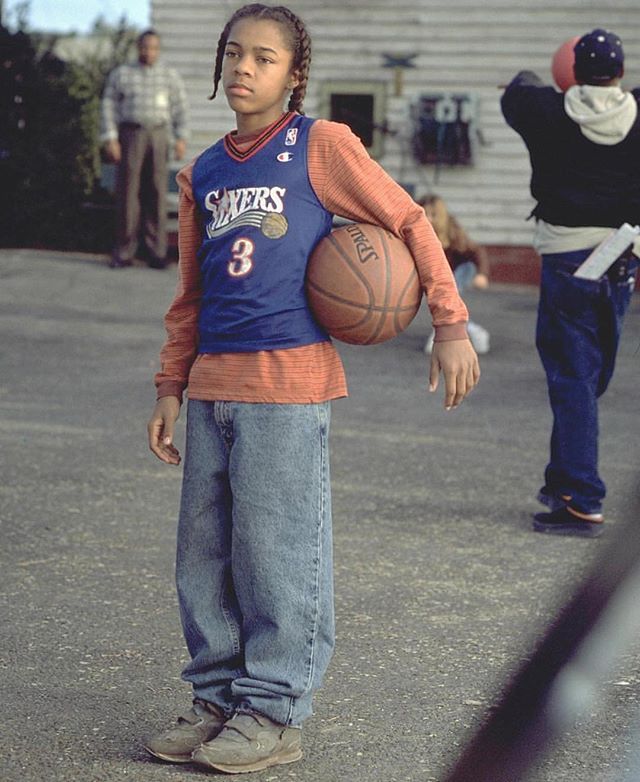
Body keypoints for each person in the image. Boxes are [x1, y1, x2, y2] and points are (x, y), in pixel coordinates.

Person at [145, 3, 480, 774]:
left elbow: (412, 221)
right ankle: (217, 697)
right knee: (204, 553)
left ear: (295, 75)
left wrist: (450, 320)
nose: (243, 67)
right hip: (211, 389)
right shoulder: (206, 170)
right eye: (233, 53)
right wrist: (170, 382)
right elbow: (191, 293)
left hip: (289, 385)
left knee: (276, 553)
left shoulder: (321, 147)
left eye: (264, 57)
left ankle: (274, 707)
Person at [501, 28, 639, 538]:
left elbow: (519, 89)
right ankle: (564, 482)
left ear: (573, 74)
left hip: (568, 261)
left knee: (573, 379)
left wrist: (539, 82)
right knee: (587, 376)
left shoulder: (546, 113)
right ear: (621, 73)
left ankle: (582, 499)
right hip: (622, 257)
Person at [100, 29, 189, 269]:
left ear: (158, 49)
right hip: (131, 134)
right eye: (144, 47)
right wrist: (110, 138)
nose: (148, 52)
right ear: (138, 48)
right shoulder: (123, 74)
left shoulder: (168, 75)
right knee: (128, 192)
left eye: (153, 48)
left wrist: (181, 137)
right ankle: (124, 251)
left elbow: (180, 106)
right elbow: (108, 105)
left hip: (159, 135)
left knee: (157, 192)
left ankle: (156, 251)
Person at [419, 194, 491, 355]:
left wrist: (482, 274)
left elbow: (477, 251)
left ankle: (442, 333)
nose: (429, 219)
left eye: (433, 215)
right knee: (448, 302)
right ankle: (475, 331)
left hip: (464, 269)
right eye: (424, 215)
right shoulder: (421, 236)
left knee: (448, 299)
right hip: (445, 274)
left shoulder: (452, 232)